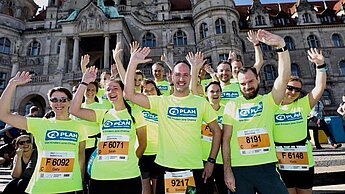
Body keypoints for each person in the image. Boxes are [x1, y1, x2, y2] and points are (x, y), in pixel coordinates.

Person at [124, 47, 221, 194]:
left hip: (193, 168)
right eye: (177, 75)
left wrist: (211, 161)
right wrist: (132, 63)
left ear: (190, 77)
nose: (181, 79)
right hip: (165, 168)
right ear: (171, 76)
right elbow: (129, 94)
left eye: (185, 75)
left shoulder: (200, 102)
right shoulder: (162, 101)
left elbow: (216, 131)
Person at [222, 29, 291, 193]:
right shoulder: (231, 105)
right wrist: (227, 171)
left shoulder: (268, 100)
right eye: (243, 84)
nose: (247, 86)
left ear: (258, 79)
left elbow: (283, 78)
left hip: (266, 167)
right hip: (239, 169)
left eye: (250, 82)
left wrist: (281, 47)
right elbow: (226, 140)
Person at [0, 72, 87, 194]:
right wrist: (12, 84)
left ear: (69, 102)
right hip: (41, 187)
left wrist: (81, 182)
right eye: (54, 100)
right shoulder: (40, 124)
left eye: (63, 100)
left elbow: (81, 158)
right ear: (50, 103)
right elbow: (3, 114)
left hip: (71, 186)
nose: (58, 103)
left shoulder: (80, 126)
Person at [70, 66, 147, 194]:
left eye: (115, 88)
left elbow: (143, 144)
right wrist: (84, 82)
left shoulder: (136, 113)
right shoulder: (103, 114)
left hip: (128, 175)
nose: (111, 91)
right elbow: (74, 110)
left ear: (123, 91)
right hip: (100, 176)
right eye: (108, 89)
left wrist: (132, 160)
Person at [273, 48, 327, 194]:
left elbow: (320, 87)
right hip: (281, 160)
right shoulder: (271, 106)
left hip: (303, 159)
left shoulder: (303, 105)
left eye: (297, 90)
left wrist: (320, 65)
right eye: (290, 88)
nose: (293, 92)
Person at [139, 79, 162, 194]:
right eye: (146, 91)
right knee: (145, 188)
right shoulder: (137, 107)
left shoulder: (163, 105)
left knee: (157, 188)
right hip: (142, 153)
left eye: (152, 89)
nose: (150, 93)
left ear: (157, 91)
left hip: (160, 153)